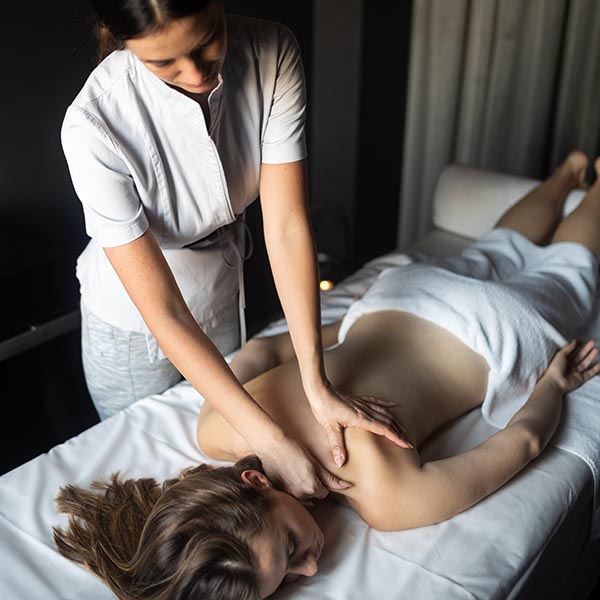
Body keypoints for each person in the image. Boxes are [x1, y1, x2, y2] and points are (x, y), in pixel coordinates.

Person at [54, 151, 600, 599]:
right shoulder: (217, 424)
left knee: (572, 263)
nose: (309, 571)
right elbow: (267, 350)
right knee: (494, 248)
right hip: (398, 300)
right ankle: (567, 172)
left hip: (496, 333)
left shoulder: (385, 497)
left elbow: (524, 442)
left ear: (253, 482)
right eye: (289, 581)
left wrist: (553, 383)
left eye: (289, 551)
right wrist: (345, 336)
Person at [62, 0, 408, 500]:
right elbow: (162, 308)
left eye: (206, 42)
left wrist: (319, 386)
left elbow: (287, 224)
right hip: (133, 321)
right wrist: (271, 437)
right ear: (122, 41)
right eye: (165, 63)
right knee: (153, 477)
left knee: (224, 455)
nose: (196, 72)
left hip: (221, 286)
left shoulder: (273, 51)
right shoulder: (93, 125)